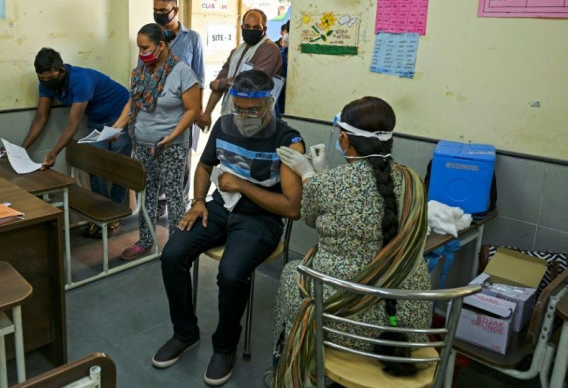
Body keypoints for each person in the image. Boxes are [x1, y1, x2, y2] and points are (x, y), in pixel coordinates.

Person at [265, 96, 431, 388]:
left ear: (343, 139)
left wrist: (309, 175)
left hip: (344, 322)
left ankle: (288, 372)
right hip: (408, 322)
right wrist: (320, 179)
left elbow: (311, 217)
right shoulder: (414, 181)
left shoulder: (330, 184)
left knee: (293, 276)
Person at [153, 70, 304, 386]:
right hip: (219, 208)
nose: (244, 116)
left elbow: (292, 207)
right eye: (239, 108)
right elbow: (206, 165)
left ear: (269, 103)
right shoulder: (223, 125)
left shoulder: (288, 140)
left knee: (232, 274)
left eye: (253, 110)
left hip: (260, 219)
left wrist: (243, 186)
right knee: (172, 255)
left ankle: (225, 346)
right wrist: (197, 201)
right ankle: (185, 332)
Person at [111, 23, 201, 261]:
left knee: (174, 196)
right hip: (142, 143)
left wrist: (172, 136)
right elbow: (133, 102)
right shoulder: (141, 71)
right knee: (146, 193)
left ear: (161, 45)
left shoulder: (182, 72)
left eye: (145, 48)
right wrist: (118, 125)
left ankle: (177, 245)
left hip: (170, 144)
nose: (142, 53)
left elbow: (193, 110)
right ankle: (145, 241)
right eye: (139, 48)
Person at [21, 47, 130, 238]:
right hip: (97, 120)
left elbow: (73, 124)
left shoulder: (81, 80)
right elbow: (41, 118)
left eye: (49, 78)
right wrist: (22, 149)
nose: (46, 82)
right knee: (94, 164)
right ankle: (102, 215)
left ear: (61, 71)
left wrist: (54, 152)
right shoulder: (46, 83)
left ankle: (115, 216)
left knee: (119, 168)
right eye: (41, 78)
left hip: (121, 114)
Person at [152, 0, 205, 207]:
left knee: (181, 164)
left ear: (175, 9)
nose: (159, 14)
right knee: (156, 163)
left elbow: (199, 78)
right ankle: (156, 209)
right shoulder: (150, 37)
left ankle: (180, 209)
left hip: (183, 114)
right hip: (156, 113)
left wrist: (199, 112)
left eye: (163, 10)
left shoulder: (192, 38)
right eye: (155, 10)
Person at [196, 9, 282, 131]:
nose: (251, 30)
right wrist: (207, 113)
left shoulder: (270, 49)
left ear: (264, 29)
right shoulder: (237, 51)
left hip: (256, 118)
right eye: (247, 26)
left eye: (256, 27)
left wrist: (223, 83)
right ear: (242, 27)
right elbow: (218, 84)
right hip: (233, 114)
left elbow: (251, 83)